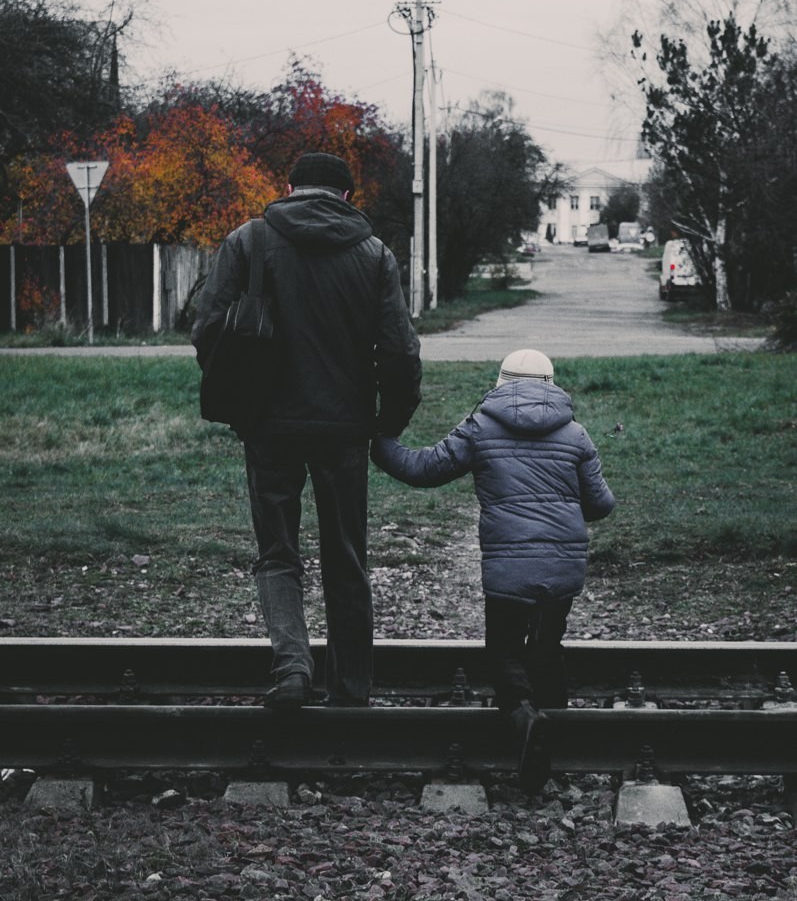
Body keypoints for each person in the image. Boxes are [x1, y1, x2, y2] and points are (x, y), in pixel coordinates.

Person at [192, 152, 422, 709]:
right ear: (347, 197)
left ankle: (293, 669)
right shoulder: (374, 255)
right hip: (343, 429)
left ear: (289, 187)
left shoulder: (249, 240)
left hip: (267, 425)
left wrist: (244, 397)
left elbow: (206, 331)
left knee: (277, 552)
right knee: (346, 555)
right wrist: (386, 424)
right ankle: (350, 687)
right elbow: (399, 353)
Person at [370, 348, 615, 792]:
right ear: (550, 385)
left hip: (508, 567)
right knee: (546, 648)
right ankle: (553, 742)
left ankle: (526, 719)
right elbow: (601, 504)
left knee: (503, 652)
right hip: (564, 566)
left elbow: (424, 469)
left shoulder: (481, 427)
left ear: (501, 383)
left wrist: (379, 442)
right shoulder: (576, 434)